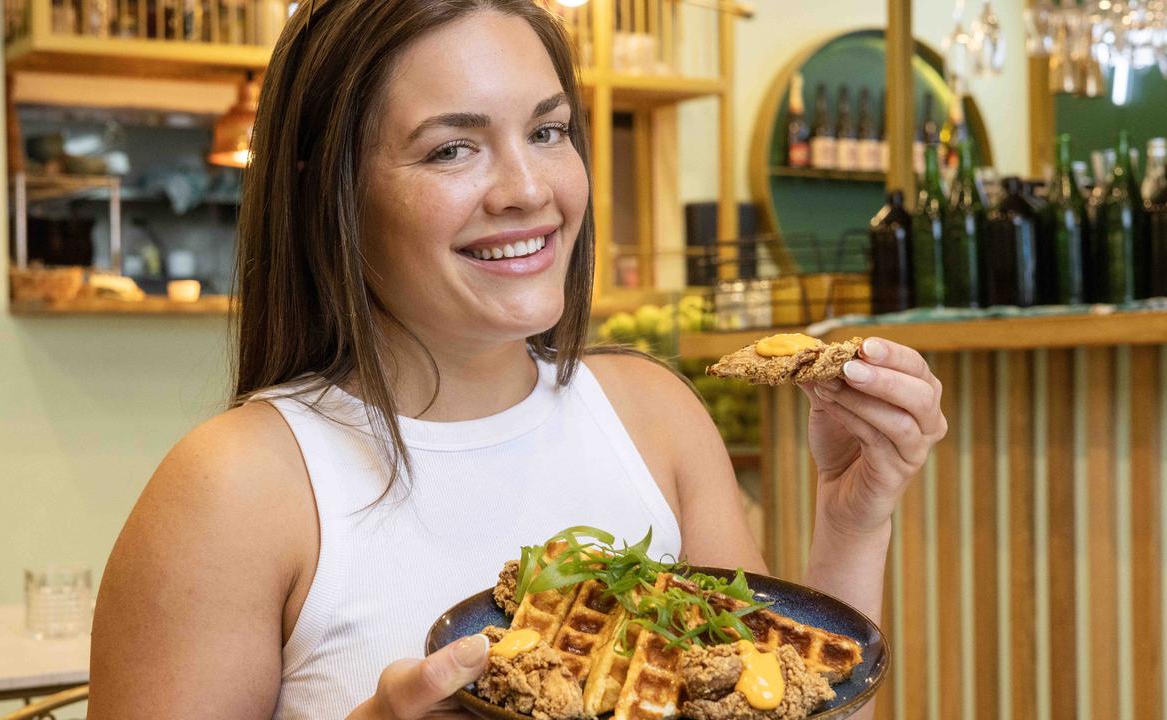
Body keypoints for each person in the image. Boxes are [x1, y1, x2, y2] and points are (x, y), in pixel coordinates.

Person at [87, 1, 947, 718]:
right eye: (451, 148)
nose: (528, 190)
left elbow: (783, 701)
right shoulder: (237, 485)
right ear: (331, 188)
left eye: (547, 130)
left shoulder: (654, 416)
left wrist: (852, 521)